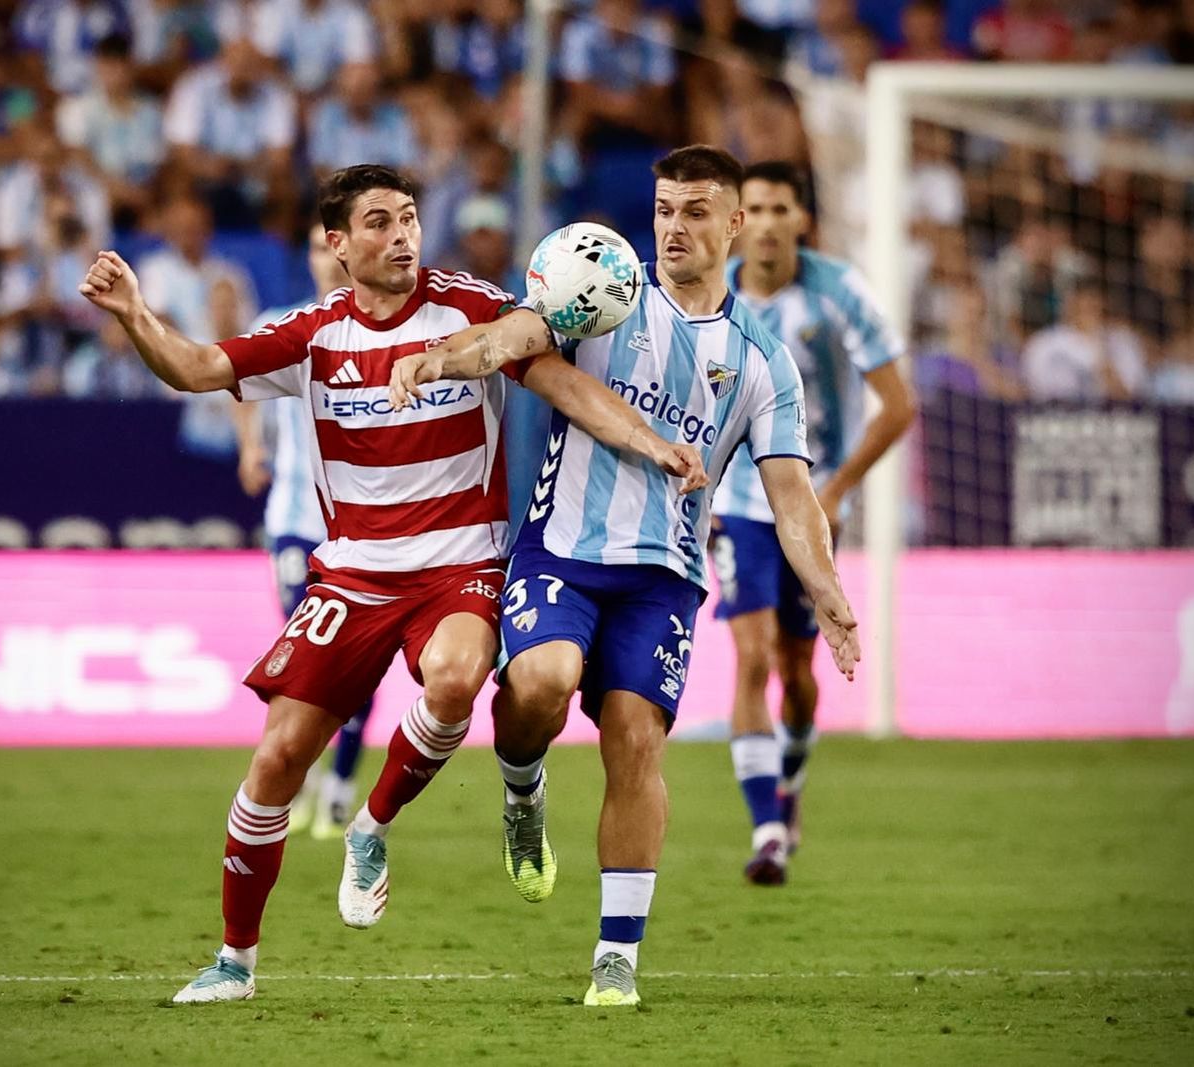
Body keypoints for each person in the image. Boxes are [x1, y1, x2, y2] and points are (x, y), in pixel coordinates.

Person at [77, 163, 704, 1005]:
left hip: (463, 565)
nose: (401, 235)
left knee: (455, 676)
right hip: (352, 572)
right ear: (337, 244)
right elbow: (194, 368)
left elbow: (565, 384)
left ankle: (369, 826)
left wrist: (651, 442)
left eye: (408, 218)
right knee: (275, 760)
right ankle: (234, 960)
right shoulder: (313, 333)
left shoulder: (471, 307)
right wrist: (135, 313)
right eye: (378, 222)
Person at [386, 145, 861, 1007]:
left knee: (635, 739)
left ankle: (617, 955)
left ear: (735, 223)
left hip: (665, 576)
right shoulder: (602, 288)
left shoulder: (762, 361)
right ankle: (522, 787)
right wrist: (440, 359)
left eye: (693, 210)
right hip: (562, 549)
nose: (673, 225)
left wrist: (828, 591)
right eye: (664, 207)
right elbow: (512, 337)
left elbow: (792, 497)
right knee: (542, 683)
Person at [710, 161, 917, 886]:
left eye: (779, 208)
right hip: (735, 498)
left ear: (804, 219)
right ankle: (767, 829)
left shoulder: (839, 292)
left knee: (800, 674)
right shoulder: (713, 293)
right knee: (754, 653)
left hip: (810, 501)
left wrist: (835, 491)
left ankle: (789, 785)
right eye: (754, 208)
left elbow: (898, 404)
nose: (765, 222)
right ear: (737, 221)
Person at [232, 224, 374, 841]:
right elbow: (237, 379)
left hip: (363, 525)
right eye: (317, 248)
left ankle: (339, 784)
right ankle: (300, 776)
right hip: (295, 519)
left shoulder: (385, 327)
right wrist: (248, 448)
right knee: (310, 656)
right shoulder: (283, 322)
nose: (329, 259)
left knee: (358, 661)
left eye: (334, 247)